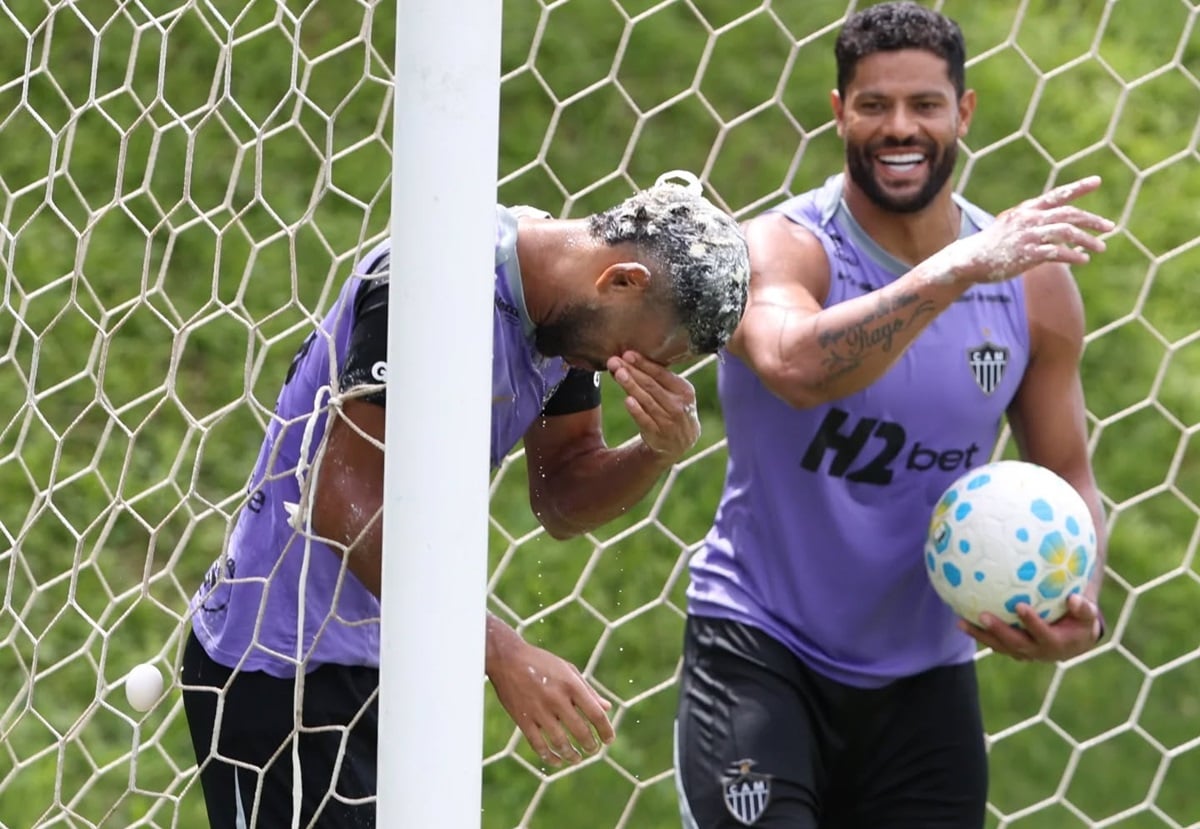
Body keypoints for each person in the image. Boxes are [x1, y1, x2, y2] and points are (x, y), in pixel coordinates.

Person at [180, 171, 750, 828]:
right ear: (621, 280)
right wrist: (496, 648)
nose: (643, 369)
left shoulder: (562, 325)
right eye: (653, 350)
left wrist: (654, 451)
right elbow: (341, 502)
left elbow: (561, 493)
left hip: (394, 660)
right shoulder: (431, 281)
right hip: (282, 668)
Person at [674, 4, 1113, 828]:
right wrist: (955, 271)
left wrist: (1074, 600)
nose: (899, 127)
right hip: (761, 651)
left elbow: (1069, 473)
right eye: (873, 105)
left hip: (924, 679)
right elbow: (796, 366)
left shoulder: (1032, 287)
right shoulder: (781, 249)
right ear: (839, 111)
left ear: (964, 112)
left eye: (924, 105)